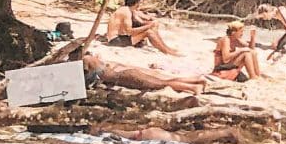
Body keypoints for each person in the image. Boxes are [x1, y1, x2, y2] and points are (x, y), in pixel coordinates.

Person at [80, 47, 212, 96]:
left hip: (124, 78)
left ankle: (193, 88)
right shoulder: (96, 58)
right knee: (162, 81)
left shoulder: (86, 60)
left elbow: (85, 76)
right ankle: (196, 80)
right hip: (126, 73)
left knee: (160, 84)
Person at [106, 0, 180, 55]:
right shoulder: (126, 12)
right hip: (115, 40)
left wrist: (150, 24)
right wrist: (148, 26)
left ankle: (167, 48)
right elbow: (129, 31)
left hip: (119, 37)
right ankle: (167, 51)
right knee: (148, 32)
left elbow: (141, 20)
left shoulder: (128, 10)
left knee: (150, 28)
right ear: (136, 2)